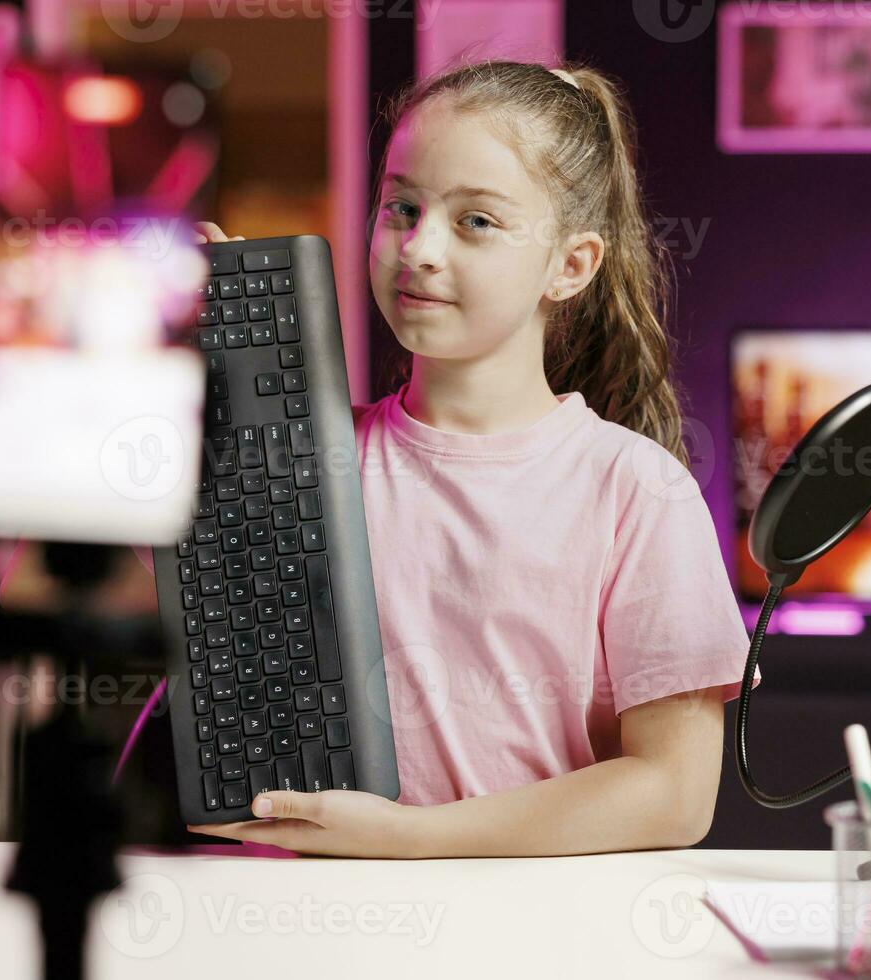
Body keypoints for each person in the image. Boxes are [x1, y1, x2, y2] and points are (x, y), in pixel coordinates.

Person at [183, 60, 755, 858]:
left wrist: (409, 838)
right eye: (401, 207)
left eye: (476, 222)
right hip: (305, 911)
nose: (418, 248)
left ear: (571, 265)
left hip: (532, 931)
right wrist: (213, 388)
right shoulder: (305, 458)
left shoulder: (636, 490)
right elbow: (195, 618)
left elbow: (673, 794)